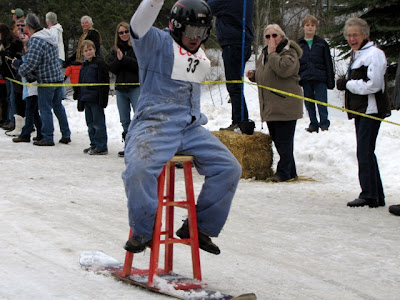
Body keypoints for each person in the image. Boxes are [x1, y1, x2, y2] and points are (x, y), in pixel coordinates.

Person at [123, 0, 242, 255]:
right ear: (176, 27)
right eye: (190, 32)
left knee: (229, 168)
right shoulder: (155, 42)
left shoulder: (199, 51)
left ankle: (200, 227)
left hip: (190, 126)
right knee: (139, 170)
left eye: (201, 33)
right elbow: (137, 25)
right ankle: (143, 231)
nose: (195, 38)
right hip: (155, 124)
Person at [336, 17, 391, 208]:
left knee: (364, 151)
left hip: (371, 110)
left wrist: (349, 84)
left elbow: (374, 85)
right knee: (366, 151)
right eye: (349, 35)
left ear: (364, 35)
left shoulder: (374, 54)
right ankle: (376, 194)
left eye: (355, 35)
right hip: (360, 110)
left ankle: (369, 194)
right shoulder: (358, 54)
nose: (352, 39)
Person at [246, 24, 303, 182]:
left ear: (282, 36)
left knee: (284, 142)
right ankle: (291, 171)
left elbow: (284, 70)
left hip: (285, 105)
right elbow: (268, 74)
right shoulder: (264, 54)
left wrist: (272, 54)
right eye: (268, 36)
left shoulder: (289, 52)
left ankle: (283, 172)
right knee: (279, 141)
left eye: (274, 35)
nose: (271, 39)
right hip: (270, 105)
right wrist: (254, 75)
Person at [12, 13, 71, 146]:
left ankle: (48, 137)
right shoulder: (49, 35)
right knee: (58, 107)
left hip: (46, 80)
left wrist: (19, 68)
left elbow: (32, 62)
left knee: (45, 109)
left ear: (28, 26)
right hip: (57, 77)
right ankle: (66, 133)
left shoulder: (37, 39)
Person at [207, 0, 254, 131]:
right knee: (236, 85)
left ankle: (239, 122)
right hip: (242, 43)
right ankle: (241, 121)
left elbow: (206, 8)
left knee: (234, 86)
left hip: (233, 45)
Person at [108, 21, 140, 158]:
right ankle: (128, 145)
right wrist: (119, 60)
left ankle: (139, 146)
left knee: (138, 117)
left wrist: (124, 59)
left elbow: (139, 66)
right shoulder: (115, 50)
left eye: (126, 31)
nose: (124, 34)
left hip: (135, 87)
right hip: (121, 89)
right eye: (121, 32)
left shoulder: (137, 47)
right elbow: (112, 69)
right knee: (124, 120)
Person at [298, 15, 335, 133]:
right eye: (307, 25)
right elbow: (295, 62)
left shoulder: (322, 43)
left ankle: (324, 124)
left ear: (316, 27)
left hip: (320, 77)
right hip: (305, 77)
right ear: (303, 27)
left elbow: (328, 62)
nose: (310, 28)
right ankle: (313, 123)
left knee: (321, 102)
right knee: (309, 103)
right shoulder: (299, 44)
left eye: (312, 25)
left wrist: (330, 79)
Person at [77, 40, 109, 155]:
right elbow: (80, 84)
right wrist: (80, 100)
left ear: (94, 50)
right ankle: (93, 144)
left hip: (96, 99)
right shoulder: (84, 66)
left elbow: (104, 82)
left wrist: (103, 100)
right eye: (86, 50)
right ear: (83, 53)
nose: (88, 52)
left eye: (90, 49)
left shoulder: (99, 63)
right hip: (86, 98)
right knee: (90, 124)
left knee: (98, 123)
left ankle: (101, 145)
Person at [12, 43, 42, 143]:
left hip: (32, 87)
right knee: (34, 111)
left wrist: (17, 63)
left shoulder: (32, 56)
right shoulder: (27, 56)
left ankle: (26, 134)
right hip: (29, 87)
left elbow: (28, 68)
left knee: (29, 110)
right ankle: (40, 133)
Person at [0, 22, 23, 132]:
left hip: (13, 74)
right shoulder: (4, 43)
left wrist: (6, 53)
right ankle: (9, 119)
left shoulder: (13, 42)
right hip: (6, 74)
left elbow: (15, 54)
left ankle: (13, 121)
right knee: (9, 97)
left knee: (13, 98)